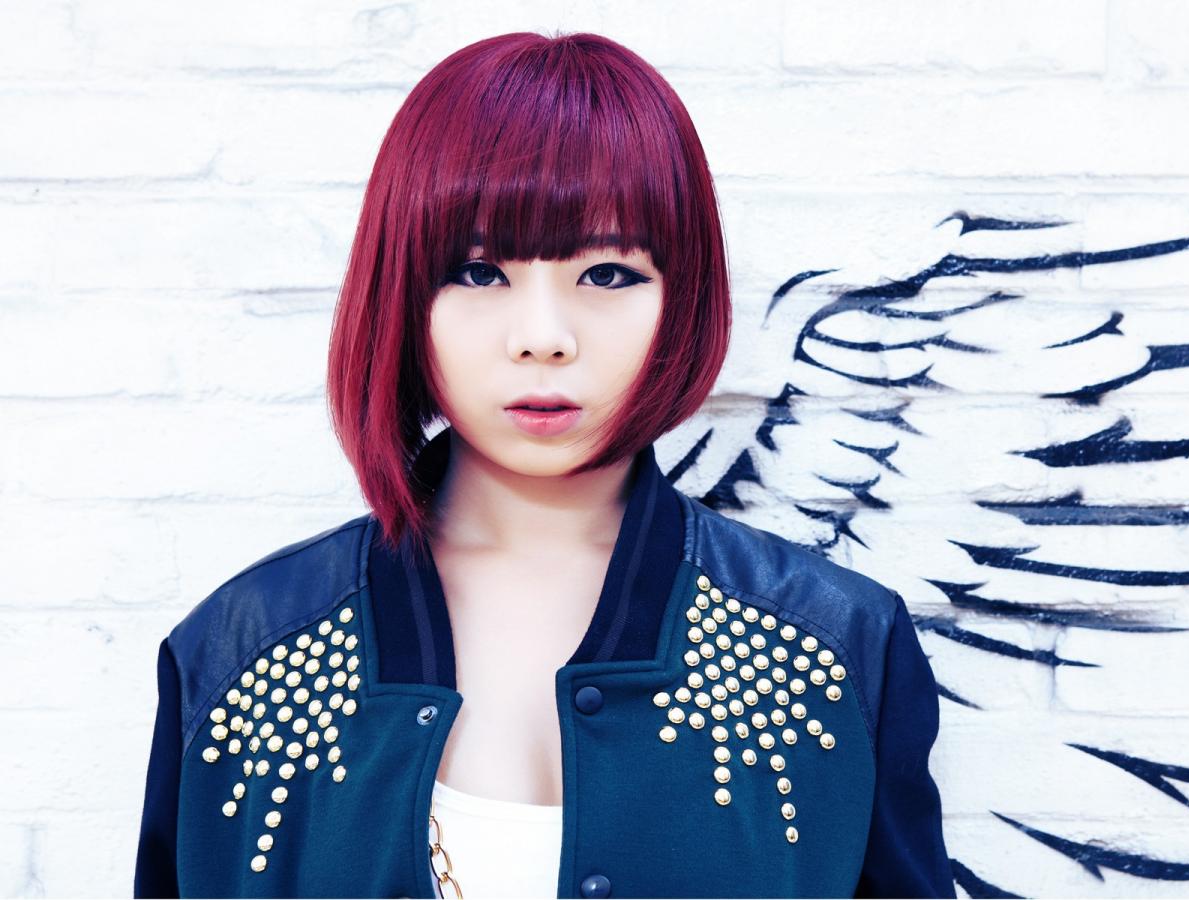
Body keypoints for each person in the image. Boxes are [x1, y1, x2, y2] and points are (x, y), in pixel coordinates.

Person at [133, 30, 955, 899]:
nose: (542, 337)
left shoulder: (839, 648)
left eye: (607, 275)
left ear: (684, 298)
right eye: (477, 272)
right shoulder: (240, 652)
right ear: (402, 295)